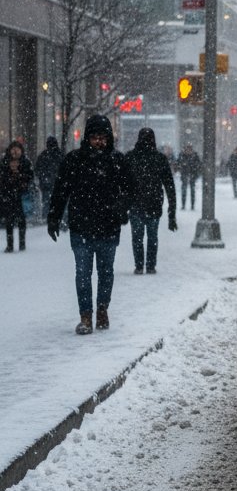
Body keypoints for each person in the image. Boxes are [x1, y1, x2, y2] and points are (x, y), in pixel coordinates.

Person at [48, 114, 134, 335]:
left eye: (103, 137)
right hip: (81, 227)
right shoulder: (74, 160)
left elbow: (131, 189)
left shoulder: (117, 161)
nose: (99, 142)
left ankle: (102, 309)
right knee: (83, 274)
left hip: (108, 227)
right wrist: (54, 217)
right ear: (87, 138)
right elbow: (61, 191)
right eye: (95, 137)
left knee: (106, 273)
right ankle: (85, 316)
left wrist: (121, 207)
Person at [125, 127, 177, 274]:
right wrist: (171, 213)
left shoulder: (130, 157)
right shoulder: (159, 159)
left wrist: (122, 205)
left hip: (136, 204)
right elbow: (169, 186)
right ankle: (150, 265)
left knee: (137, 237)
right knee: (152, 237)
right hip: (153, 204)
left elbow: (122, 184)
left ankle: (139, 265)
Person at [0, 140, 34, 252]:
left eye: (17, 150)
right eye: (13, 150)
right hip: (8, 195)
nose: (15, 152)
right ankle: (10, 245)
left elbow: (30, 176)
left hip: (21, 195)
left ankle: (22, 243)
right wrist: (10, 176)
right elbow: (2, 178)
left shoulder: (25, 162)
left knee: (21, 220)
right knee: (9, 220)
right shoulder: (4, 162)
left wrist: (20, 176)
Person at [35, 135, 63, 222]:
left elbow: (37, 170)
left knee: (46, 202)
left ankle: (46, 218)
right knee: (58, 202)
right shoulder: (60, 155)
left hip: (46, 184)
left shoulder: (43, 155)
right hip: (57, 183)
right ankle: (58, 218)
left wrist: (42, 178)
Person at [177, 143, 201, 210]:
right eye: (187, 149)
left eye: (189, 149)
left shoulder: (194, 156)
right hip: (185, 174)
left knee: (192, 191)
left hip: (192, 175)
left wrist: (195, 171)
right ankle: (183, 205)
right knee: (184, 191)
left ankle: (192, 205)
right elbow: (178, 164)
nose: (188, 150)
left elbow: (198, 165)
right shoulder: (182, 155)